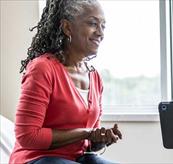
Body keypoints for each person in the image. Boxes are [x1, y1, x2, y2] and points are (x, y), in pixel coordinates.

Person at [9, 0, 122, 163]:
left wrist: (100, 139)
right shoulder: (42, 68)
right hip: (37, 159)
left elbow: (88, 143)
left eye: (103, 26)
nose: (100, 33)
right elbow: (27, 136)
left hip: (78, 158)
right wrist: (86, 132)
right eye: (93, 23)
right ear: (67, 27)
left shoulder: (94, 77)